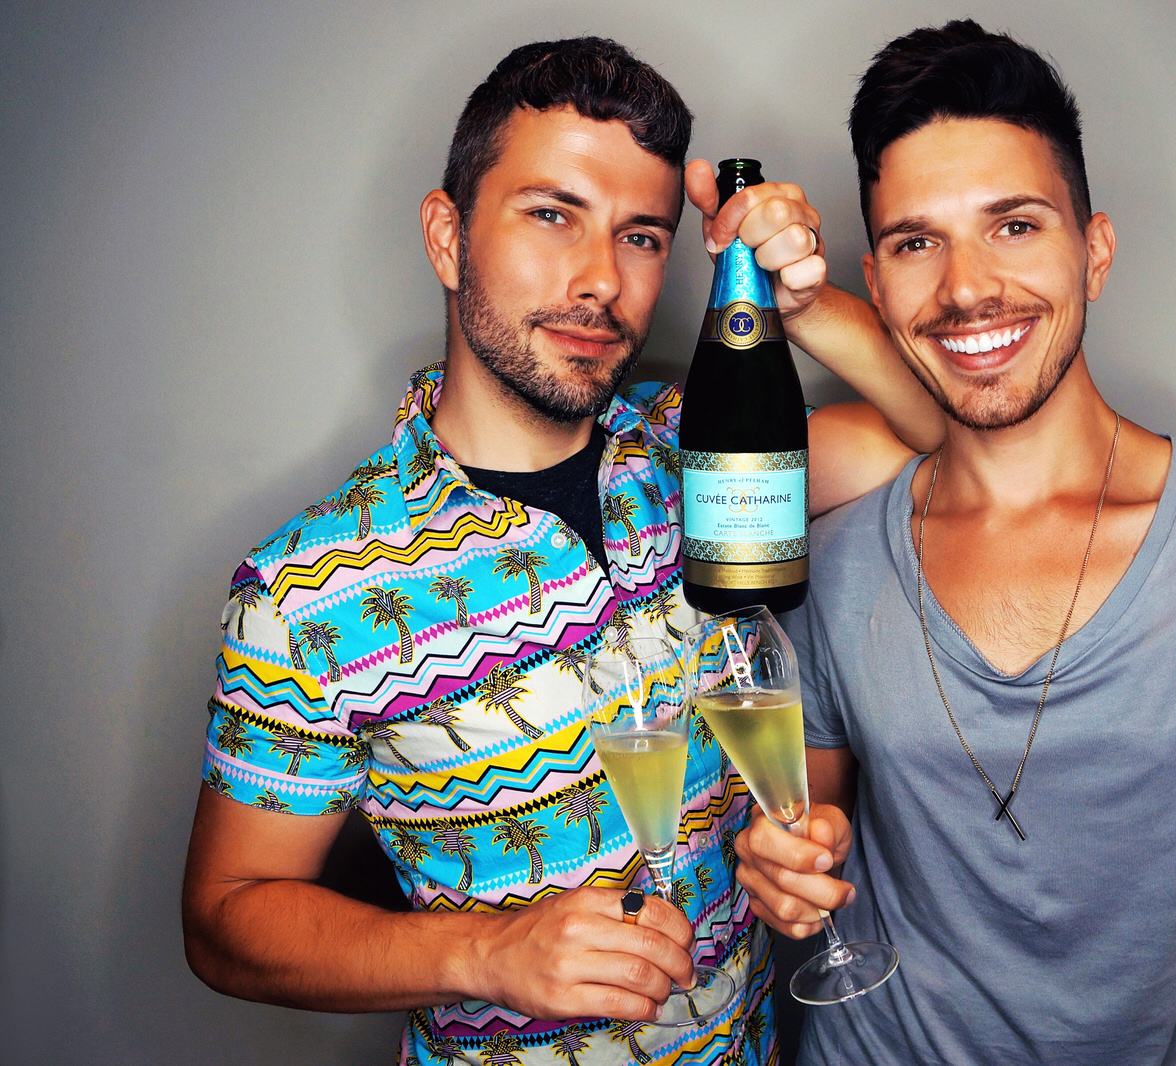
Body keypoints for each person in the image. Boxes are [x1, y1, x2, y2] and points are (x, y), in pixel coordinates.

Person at [180, 37, 933, 1066]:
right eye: (551, 214)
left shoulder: (698, 450)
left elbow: (936, 431)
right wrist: (486, 953)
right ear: (447, 237)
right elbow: (224, 917)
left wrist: (800, 301)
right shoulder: (303, 592)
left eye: (640, 235)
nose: (600, 281)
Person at [732, 20, 1176, 1066]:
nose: (966, 286)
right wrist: (782, 866)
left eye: (1015, 225)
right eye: (916, 242)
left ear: (1095, 251)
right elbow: (806, 838)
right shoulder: (837, 553)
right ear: (877, 285)